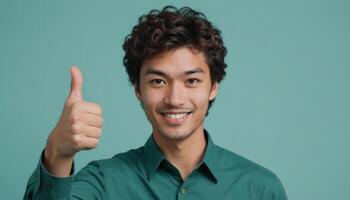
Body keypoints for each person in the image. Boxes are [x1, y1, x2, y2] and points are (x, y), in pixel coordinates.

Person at [24, 6, 287, 200]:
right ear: (138, 89)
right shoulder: (102, 183)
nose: (174, 99)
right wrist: (57, 153)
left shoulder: (260, 188)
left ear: (214, 87)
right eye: (158, 81)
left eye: (192, 81)